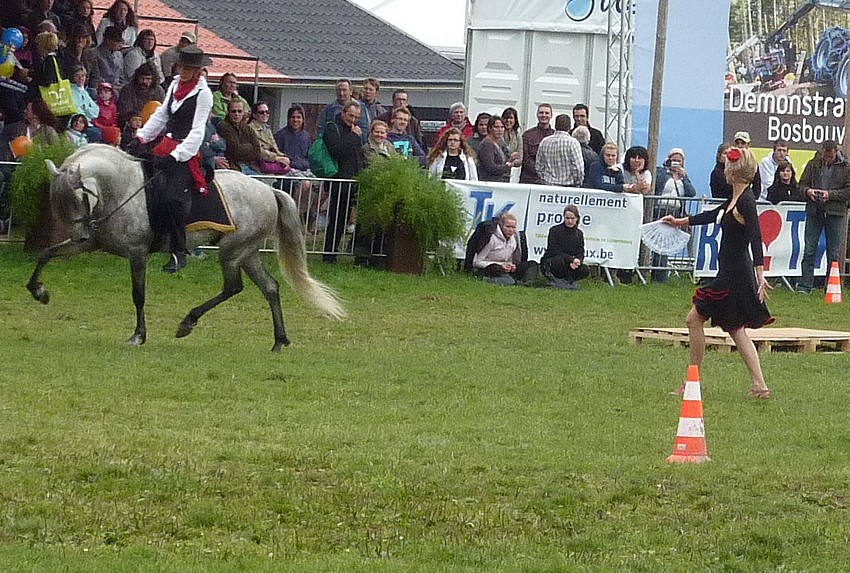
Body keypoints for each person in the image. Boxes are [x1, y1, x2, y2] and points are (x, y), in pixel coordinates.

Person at [663, 147, 773, 399]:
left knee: (694, 320)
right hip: (731, 272)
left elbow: (756, 238)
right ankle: (759, 385)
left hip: (735, 275)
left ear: (733, 172)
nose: (723, 170)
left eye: (726, 166)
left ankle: (693, 381)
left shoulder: (746, 200)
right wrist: (683, 222)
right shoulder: (734, 199)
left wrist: (760, 275)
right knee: (735, 328)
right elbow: (713, 215)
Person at [130, 46, 214, 274]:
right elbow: (161, 115)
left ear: (197, 70)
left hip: (187, 151)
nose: (184, 71)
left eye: (189, 68)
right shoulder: (175, 85)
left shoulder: (204, 94)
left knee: (170, 198)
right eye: (182, 66)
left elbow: (197, 131)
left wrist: (176, 156)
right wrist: (142, 136)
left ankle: (179, 251)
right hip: (167, 143)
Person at [796, 140, 850, 294]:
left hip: (835, 213)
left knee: (833, 253)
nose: (828, 159)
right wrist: (808, 191)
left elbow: (848, 192)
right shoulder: (813, 164)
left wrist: (830, 195)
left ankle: (830, 286)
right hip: (815, 212)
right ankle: (805, 286)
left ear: (836, 152)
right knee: (809, 249)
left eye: (830, 156)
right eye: (826, 156)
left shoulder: (846, 167)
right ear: (822, 151)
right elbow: (801, 185)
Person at [322, 100, 367, 263]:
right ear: (343, 114)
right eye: (350, 115)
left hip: (355, 178)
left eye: (356, 117)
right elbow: (337, 151)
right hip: (339, 179)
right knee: (337, 219)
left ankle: (355, 253)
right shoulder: (332, 128)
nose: (353, 119)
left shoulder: (355, 130)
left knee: (354, 219)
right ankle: (329, 254)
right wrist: (354, 136)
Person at [652, 148, 696, 282]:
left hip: (676, 212)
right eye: (674, 160)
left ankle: (663, 275)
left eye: (679, 161)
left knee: (667, 244)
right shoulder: (661, 172)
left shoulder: (683, 177)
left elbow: (691, 192)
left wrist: (684, 177)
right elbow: (657, 184)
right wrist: (667, 170)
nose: (676, 163)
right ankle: (658, 276)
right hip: (660, 209)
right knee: (659, 242)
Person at [465, 212, 538, 285]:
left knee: (532, 264)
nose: (511, 230)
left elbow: (509, 260)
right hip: (490, 267)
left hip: (504, 269)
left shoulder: (514, 240)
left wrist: (511, 266)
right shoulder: (491, 239)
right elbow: (476, 262)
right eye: (508, 226)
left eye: (513, 227)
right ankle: (510, 281)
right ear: (501, 226)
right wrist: (500, 265)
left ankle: (525, 282)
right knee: (495, 268)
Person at [540, 205, 590, 289]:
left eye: (572, 218)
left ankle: (568, 281)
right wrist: (571, 259)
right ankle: (556, 280)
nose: (569, 221)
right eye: (567, 218)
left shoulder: (579, 234)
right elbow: (553, 250)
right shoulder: (554, 230)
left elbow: (580, 252)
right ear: (564, 217)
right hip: (552, 261)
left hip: (570, 263)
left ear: (577, 218)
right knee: (560, 261)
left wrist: (578, 261)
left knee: (585, 269)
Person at [535, 114, 584, 187]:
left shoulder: (544, 142)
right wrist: (577, 182)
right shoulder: (573, 143)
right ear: (569, 127)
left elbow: (539, 166)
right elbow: (578, 168)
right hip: (568, 186)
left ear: (555, 126)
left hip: (548, 185)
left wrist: (544, 179)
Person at [216, 98, 261, 174]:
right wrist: (250, 146)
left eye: (239, 111)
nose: (236, 114)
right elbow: (235, 150)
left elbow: (257, 151)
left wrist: (244, 148)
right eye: (233, 111)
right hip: (233, 167)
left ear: (243, 112)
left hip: (250, 166)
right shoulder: (223, 126)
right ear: (228, 112)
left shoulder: (247, 128)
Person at [248, 100, 292, 175]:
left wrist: (285, 159)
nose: (265, 114)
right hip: (259, 167)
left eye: (267, 112)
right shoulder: (250, 129)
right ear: (254, 115)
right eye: (261, 112)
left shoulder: (267, 129)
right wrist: (277, 158)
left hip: (273, 165)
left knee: (305, 180)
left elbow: (275, 149)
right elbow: (257, 150)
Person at [520, 103, 554, 184]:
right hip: (529, 180)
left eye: (547, 113)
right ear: (537, 115)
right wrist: (540, 171)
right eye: (541, 112)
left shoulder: (555, 135)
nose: (544, 115)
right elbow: (525, 159)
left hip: (549, 180)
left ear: (551, 116)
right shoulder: (527, 135)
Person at [477, 115, 517, 182]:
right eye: (496, 127)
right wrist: (507, 166)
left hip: (497, 181)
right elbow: (490, 167)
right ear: (490, 128)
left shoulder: (499, 142)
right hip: (488, 182)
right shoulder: (487, 144)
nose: (500, 130)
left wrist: (511, 160)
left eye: (502, 127)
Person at [732, 131, 761, 196]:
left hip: (746, 197)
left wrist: (751, 199)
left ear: (748, 145)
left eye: (743, 143)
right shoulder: (729, 161)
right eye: (737, 143)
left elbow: (757, 185)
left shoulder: (753, 163)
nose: (740, 146)